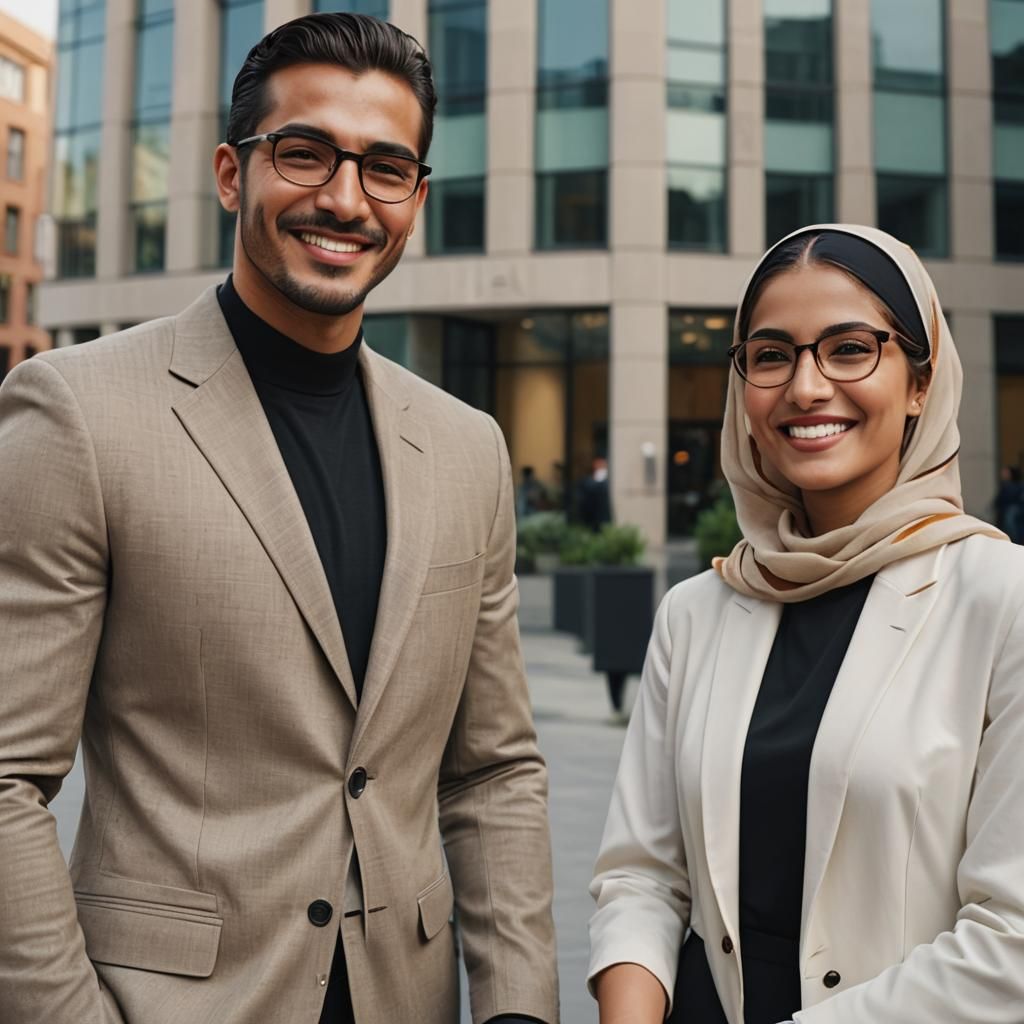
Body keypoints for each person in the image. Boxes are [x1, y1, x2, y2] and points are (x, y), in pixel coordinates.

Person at [0, 14, 557, 1024]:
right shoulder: (75, 412)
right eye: (304, 154)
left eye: (385, 167)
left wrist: (518, 1004)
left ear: (416, 199)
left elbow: (494, 769)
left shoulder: (467, 446)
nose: (344, 199)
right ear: (230, 172)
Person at [588, 224, 1024, 1024]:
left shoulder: (1001, 600)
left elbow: (1011, 945)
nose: (807, 386)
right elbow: (642, 877)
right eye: (771, 354)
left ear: (922, 380)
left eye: (850, 349)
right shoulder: (696, 612)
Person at [578, 456, 612, 531]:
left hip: (603, 516)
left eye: (602, 464)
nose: (600, 466)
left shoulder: (609, 481)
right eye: (598, 463)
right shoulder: (587, 481)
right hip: (590, 517)